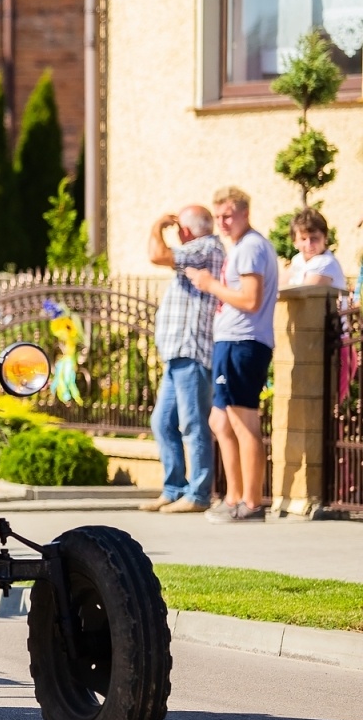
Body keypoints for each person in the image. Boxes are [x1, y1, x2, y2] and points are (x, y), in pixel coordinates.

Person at [185, 186, 278, 523]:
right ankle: (233, 496)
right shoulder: (242, 246)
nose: (222, 222)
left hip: (243, 343)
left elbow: (251, 299)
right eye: (218, 216)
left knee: (243, 422)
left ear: (244, 213)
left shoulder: (251, 246)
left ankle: (251, 503)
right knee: (220, 420)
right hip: (232, 342)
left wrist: (210, 284)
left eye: (228, 215)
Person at [140, 205, 223, 513]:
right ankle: (174, 488)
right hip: (178, 353)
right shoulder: (197, 250)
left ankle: (198, 494)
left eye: (179, 229)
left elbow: (157, 255)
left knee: (193, 423)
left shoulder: (205, 247)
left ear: (187, 229)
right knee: (162, 422)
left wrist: (157, 225)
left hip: (192, 351)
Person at [286, 208, 347, 290]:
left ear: (325, 238)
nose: (309, 244)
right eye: (303, 239)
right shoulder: (298, 260)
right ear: (294, 242)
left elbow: (305, 293)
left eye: (314, 238)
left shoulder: (326, 263)